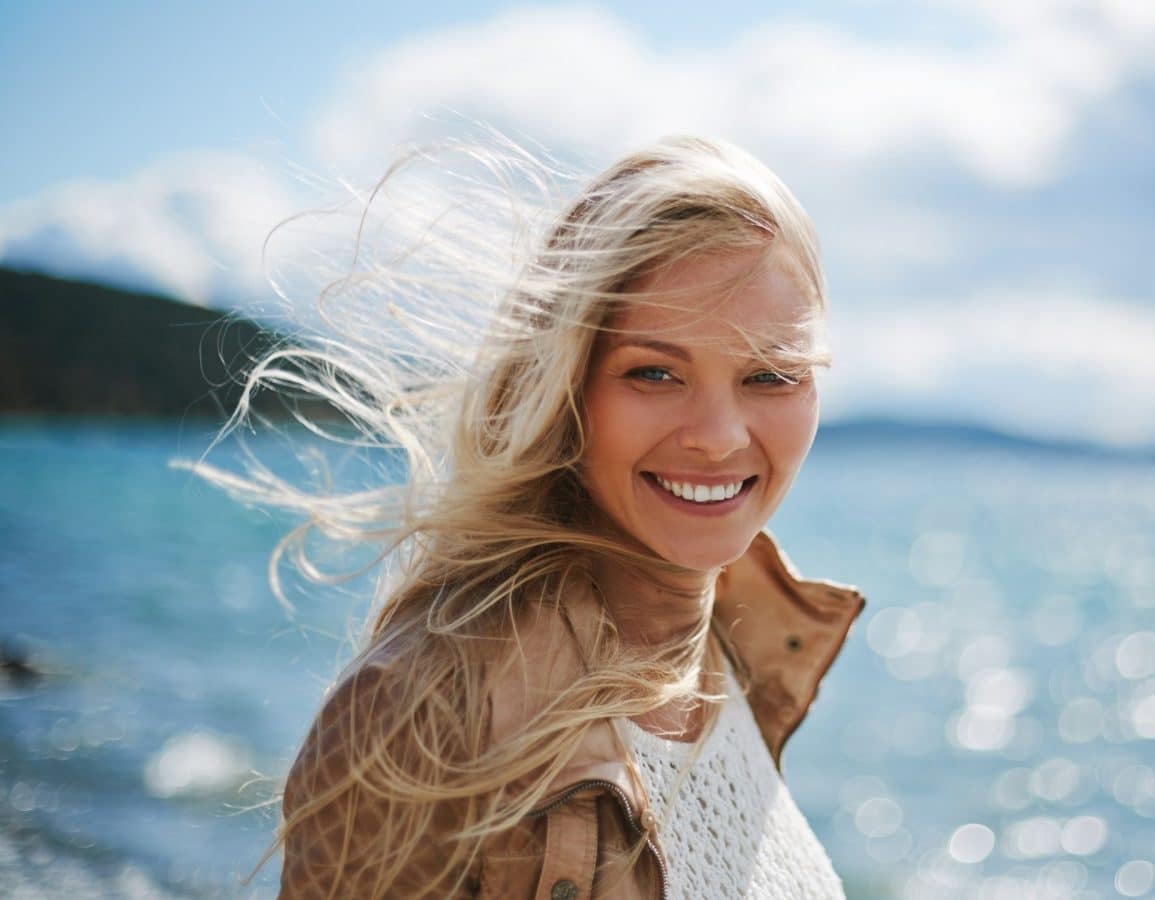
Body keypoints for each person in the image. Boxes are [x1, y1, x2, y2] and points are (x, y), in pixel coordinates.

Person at [222, 136, 865, 898]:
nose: (719, 436)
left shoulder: (732, 649)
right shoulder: (425, 709)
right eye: (654, 372)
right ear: (563, 385)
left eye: (770, 374)